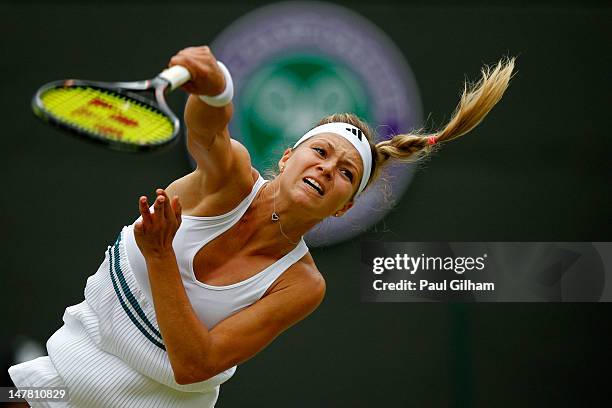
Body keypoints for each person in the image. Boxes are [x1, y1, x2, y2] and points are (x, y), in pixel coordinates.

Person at [8, 46, 515, 407]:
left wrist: (161, 257)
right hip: (58, 376)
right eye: (320, 152)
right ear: (290, 155)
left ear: (342, 208)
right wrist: (215, 87)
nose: (326, 170)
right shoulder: (229, 180)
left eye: (346, 174)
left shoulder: (302, 286)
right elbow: (209, 131)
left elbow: (194, 364)